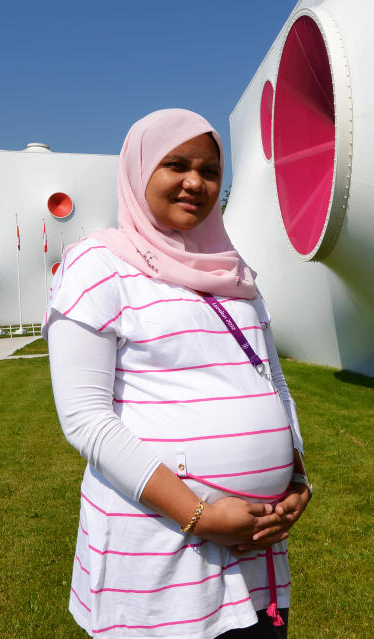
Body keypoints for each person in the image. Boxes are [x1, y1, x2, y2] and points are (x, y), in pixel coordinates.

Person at [45, 109, 311, 638]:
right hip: (160, 553)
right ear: (139, 170)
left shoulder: (233, 274)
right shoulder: (98, 264)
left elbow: (272, 383)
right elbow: (86, 420)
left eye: (210, 171)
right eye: (176, 165)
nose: (196, 182)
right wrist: (201, 516)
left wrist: (297, 480)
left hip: (255, 548)